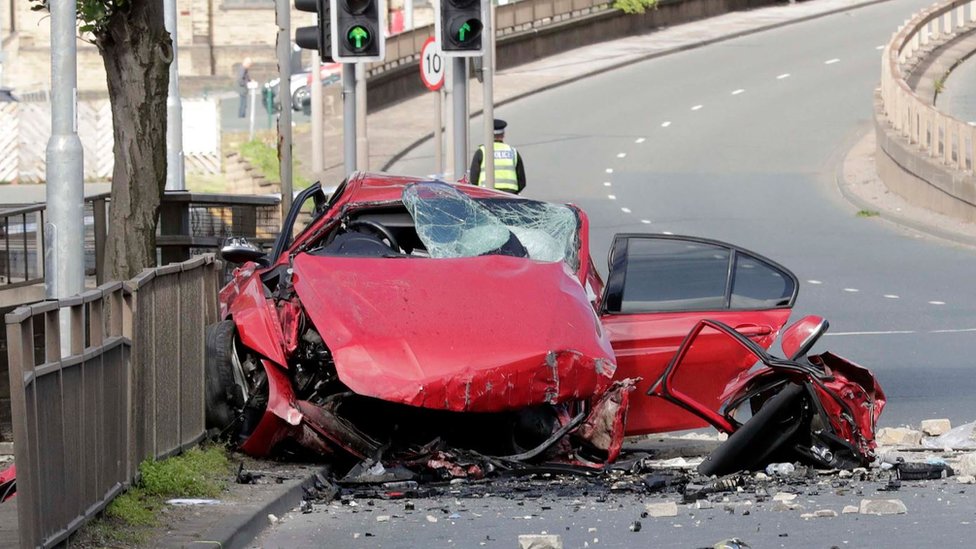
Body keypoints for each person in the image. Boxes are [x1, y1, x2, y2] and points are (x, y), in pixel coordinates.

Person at [469, 119, 526, 194]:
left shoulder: (481, 152)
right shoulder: (513, 151)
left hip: (486, 195)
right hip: (509, 196)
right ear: (503, 135)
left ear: (488, 134)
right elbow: (522, 181)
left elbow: (473, 179)